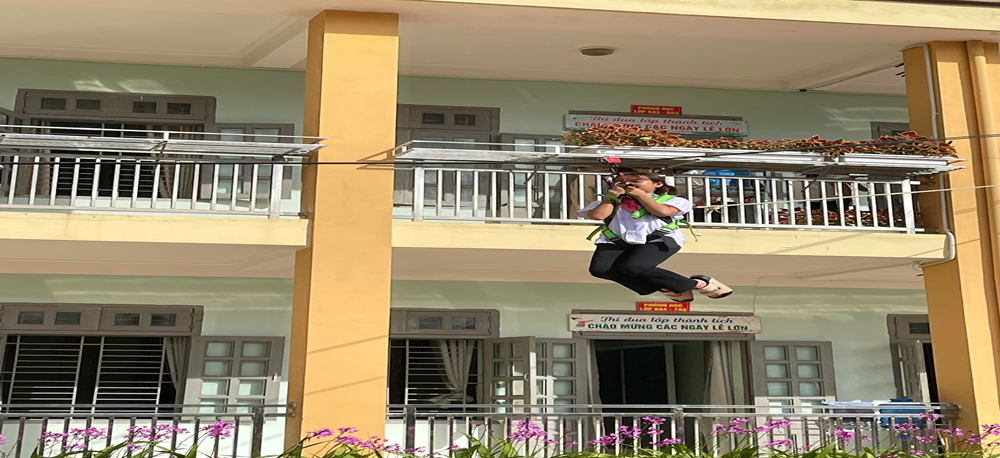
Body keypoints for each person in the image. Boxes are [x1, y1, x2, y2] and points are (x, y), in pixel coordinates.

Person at [575, 171, 733, 301]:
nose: (628, 184)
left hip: (659, 238)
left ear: (658, 184)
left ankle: (699, 283)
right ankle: (672, 287)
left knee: (635, 267)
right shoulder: (609, 202)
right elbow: (598, 215)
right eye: (622, 182)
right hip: (617, 240)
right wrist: (610, 198)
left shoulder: (672, 200)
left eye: (636, 181)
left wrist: (641, 195)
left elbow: (662, 211)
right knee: (600, 269)